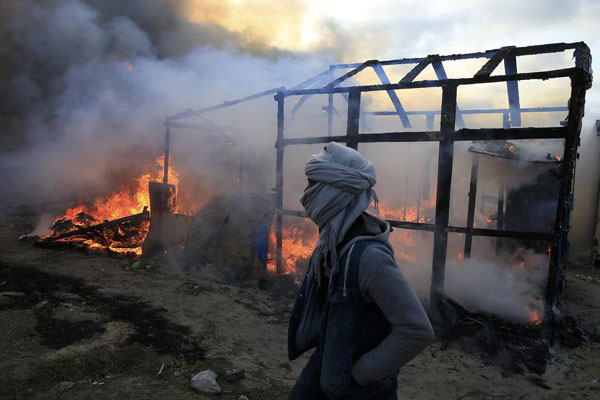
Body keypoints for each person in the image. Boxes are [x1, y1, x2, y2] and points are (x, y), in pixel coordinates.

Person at [287, 142, 435, 400]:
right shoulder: (332, 238)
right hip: (327, 364)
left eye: (313, 185)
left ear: (334, 192)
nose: (306, 193)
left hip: (360, 390)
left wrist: (358, 375)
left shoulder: (369, 257)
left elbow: (417, 330)